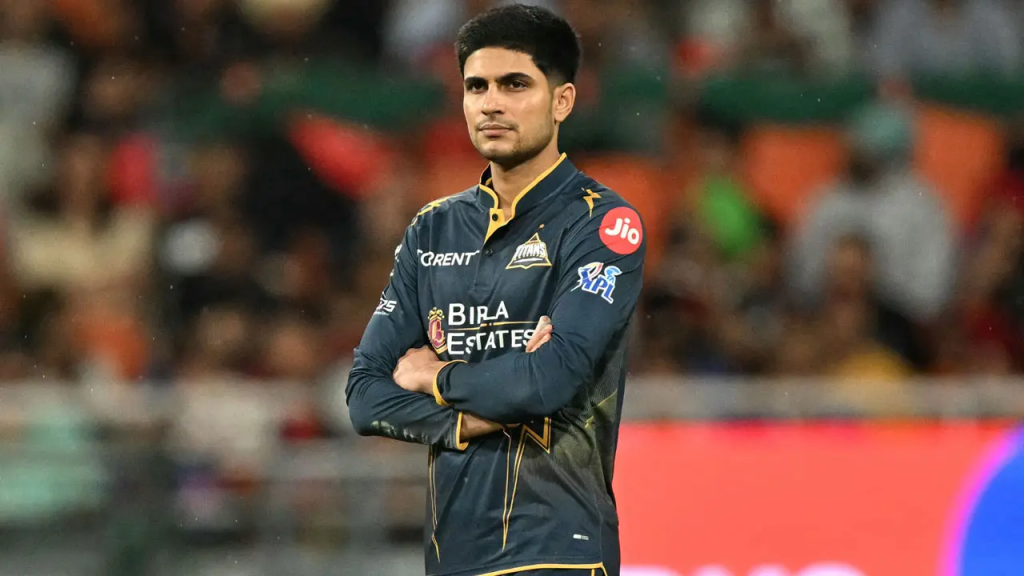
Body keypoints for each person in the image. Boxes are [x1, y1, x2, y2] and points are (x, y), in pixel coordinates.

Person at [345, 5, 645, 576]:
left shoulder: (604, 224)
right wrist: (464, 420)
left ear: (562, 101)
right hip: (451, 554)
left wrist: (434, 378)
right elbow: (364, 395)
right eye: (476, 86)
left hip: (559, 552)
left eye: (515, 84)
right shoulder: (431, 229)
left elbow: (549, 380)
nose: (491, 103)